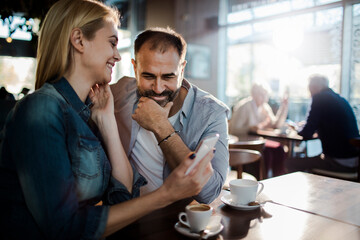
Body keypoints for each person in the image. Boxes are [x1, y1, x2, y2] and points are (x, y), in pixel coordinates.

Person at [0, 1, 214, 239]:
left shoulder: (87, 110)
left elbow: (121, 197)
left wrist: (108, 124)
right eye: (112, 43)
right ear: (79, 40)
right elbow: (63, 229)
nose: (117, 56)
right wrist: (166, 194)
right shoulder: (41, 109)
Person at [110, 27, 230, 204]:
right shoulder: (122, 91)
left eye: (168, 77)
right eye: (148, 76)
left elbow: (208, 192)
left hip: (178, 219)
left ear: (182, 68)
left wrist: (161, 126)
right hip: (127, 212)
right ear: (135, 67)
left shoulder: (212, 114)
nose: (158, 88)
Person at [286, 74, 359, 173]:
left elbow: (306, 133)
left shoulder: (319, 98)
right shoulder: (340, 99)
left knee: (290, 162)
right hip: (353, 160)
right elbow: (330, 125)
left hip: (339, 161)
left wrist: (297, 128)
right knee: (309, 160)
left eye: (309, 88)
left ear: (313, 87)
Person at [228, 82, 288, 177]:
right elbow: (234, 130)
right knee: (267, 153)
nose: (264, 97)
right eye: (261, 94)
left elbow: (276, 125)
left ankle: (278, 178)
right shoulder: (244, 106)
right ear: (253, 94)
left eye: (265, 94)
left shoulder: (265, 107)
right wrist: (251, 128)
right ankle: (262, 180)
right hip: (244, 142)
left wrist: (283, 107)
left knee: (279, 149)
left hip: (258, 142)